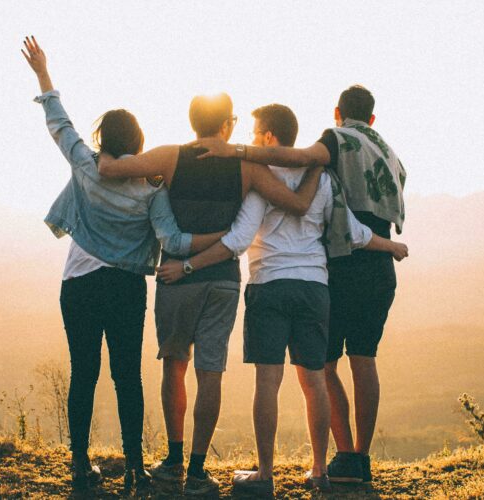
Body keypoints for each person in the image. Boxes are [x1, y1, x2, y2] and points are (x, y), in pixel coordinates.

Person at [158, 104, 408, 495]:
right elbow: (352, 231)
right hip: (315, 288)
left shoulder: (262, 179)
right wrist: (390, 245)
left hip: (270, 286)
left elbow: (238, 240)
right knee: (314, 382)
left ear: (270, 137)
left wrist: (187, 265)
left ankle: (266, 474)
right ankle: (320, 471)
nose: (253, 139)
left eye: (257, 133)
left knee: (268, 382)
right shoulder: (322, 179)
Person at [21, 37, 226, 492]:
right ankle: (134, 466)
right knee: (127, 376)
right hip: (126, 288)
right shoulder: (151, 190)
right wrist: (224, 239)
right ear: (139, 143)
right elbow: (171, 240)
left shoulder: (86, 166)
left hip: (78, 282)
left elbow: (59, 124)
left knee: (84, 373)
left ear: (102, 140)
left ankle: (80, 464)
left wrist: (43, 73)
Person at [97, 94, 322, 495]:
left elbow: (114, 169)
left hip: (175, 279)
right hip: (222, 280)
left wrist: (104, 153)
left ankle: (173, 460)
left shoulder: (169, 157)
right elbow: (297, 204)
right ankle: (198, 471)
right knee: (210, 372)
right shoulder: (246, 167)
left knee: (174, 365)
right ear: (227, 127)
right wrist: (319, 164)